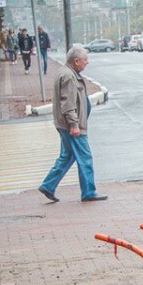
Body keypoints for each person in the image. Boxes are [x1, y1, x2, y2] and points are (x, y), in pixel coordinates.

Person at [38, 45, 107, 203]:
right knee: (85, 157)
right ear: (76, 61)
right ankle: (89, 192)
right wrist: (74, 125)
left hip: (66, 124)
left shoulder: (68, 72)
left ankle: (48, 186)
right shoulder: (69, 76)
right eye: (85, 60)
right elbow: (68, 104)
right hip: (71, 126)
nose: (87, 62)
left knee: (67, 157)